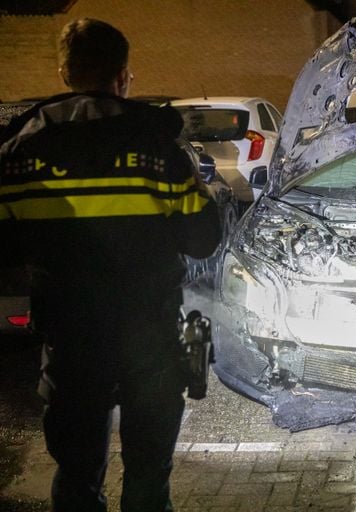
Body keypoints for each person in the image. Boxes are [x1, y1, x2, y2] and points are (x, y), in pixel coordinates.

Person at [0, 18, 221, 511]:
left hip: (71, 337)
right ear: (123, 75)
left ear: (64, 73)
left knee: (76, 475)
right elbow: (204, 239)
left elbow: (6, 249)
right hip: (149, 334)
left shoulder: (18, 151)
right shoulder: (157, 148)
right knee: (147, 476)